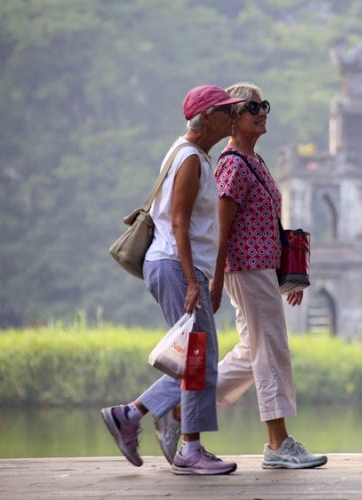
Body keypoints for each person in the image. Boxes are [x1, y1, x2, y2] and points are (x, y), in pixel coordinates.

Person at [155, 82, 327, 469]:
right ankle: (278, 444)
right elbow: (223, 229)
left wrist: (289, 276)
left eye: (264, 105)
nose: (261, 112)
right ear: (234, 118)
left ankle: (181, 410)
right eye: (252, 108)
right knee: (272, 348)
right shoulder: (232, 163)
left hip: (262, 267)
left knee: (253, 352)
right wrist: (214, 281)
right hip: (244, 267)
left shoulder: (255, 161)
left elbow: (266, 225)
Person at [100, 85, 244, 475]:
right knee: (198, 359)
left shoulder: (194, 155)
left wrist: (207, 278)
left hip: (180, 267)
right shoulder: (190, 158)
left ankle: (132, 415)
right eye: (226, 111)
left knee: (197, 359)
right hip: (173, 265)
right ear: (206, 117)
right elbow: (178, 221)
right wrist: (192, 280)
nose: (233, 118)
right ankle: (188, 449)